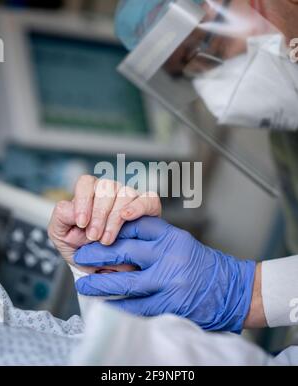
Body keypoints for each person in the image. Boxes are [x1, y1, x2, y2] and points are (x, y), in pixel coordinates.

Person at [48, 0, 298, 358]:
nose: (214, 87)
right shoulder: (289, 140)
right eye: (188, 70)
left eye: (208, 44)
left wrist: (250, 292)